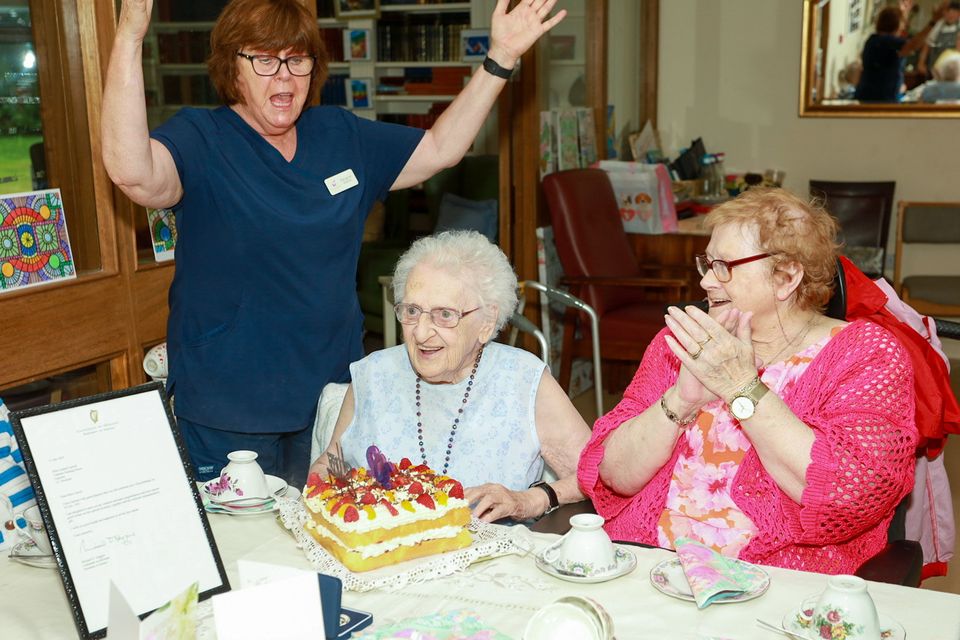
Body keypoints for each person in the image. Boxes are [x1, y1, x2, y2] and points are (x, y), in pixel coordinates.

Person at [100, 0, 566, 488]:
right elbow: (132, 172)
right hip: (229, 404)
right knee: (243, 552)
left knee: (330, 539)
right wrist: (131, 35)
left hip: (331, 399)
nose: (283, 77)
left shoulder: (337, 134)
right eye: (263, 59)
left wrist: (500, 59)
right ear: (230, 66)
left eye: (296, 60)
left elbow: (440, 149)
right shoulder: (201, 138)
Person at [577, 188, 918, 575]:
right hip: (650, 561)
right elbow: (613, 474)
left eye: (723, 266)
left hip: (776, 579)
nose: (706, 282)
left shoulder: (867, 355)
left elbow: (847, 495)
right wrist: (680, 401)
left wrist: (741, 386)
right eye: (706, 264)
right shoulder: (683, 342)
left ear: (785, 277)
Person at [310, 230, 591, 522]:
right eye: (412, 310)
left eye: (444, 315)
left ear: (487, 321)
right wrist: (333, 497)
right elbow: (333, 461)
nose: (420, 332)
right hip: (378, 557)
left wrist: (529, 500)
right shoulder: (371, 375)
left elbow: (594, 472)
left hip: (489, 561)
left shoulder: (523, 381)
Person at [855, 0, 947, 102]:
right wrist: (933, 22)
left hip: (873, 96)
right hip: (879, 100)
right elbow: (912, 45)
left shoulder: (874, 40)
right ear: (896, 24)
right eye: (902, 22)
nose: (903, 26)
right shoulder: (885, 41)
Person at [918, 0, 960, 79]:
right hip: (934, 70)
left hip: (953, 72)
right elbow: (927, 45)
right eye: (948, 12)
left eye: (954, 12)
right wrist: (921, 63)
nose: (950, 15)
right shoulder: (938, 25)